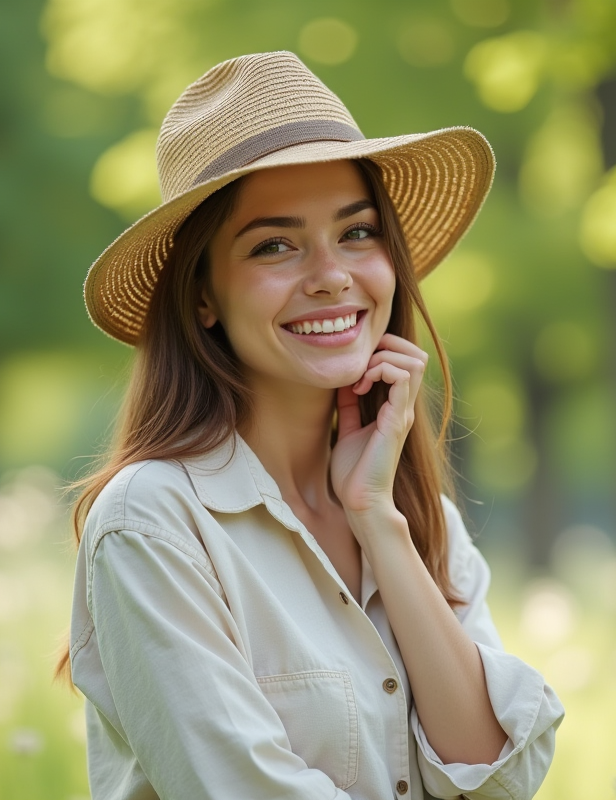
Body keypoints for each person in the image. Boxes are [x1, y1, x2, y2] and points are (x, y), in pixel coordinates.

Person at [58, 51, 565, 800]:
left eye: (357, 233)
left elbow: (495, 776)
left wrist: (376, 522)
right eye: (275, 245)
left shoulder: (419, 521)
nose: (331, 274)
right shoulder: (153, 524)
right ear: (203, 296)